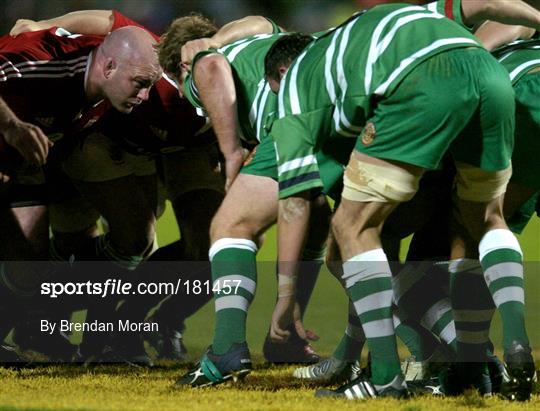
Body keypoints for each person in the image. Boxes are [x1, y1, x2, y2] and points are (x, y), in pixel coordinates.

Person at [264, 2, 532, 399]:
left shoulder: (294, 87)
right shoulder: (372, 29)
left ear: (281, 73)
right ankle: (496, 352)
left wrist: (286, 299)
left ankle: (386, 378)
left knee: (351, 227)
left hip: (423, 80)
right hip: (489, 73)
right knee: (487, 220)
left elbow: (296, 202)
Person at [158, 15, 333, 387]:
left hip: (299, 114)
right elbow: (260, 21)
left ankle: (226, 348)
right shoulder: (255, 41)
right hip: (347, 99)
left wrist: (231, 151)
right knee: (324, 223)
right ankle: (286, 337)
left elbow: (209, 66)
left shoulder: (197, 64)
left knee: (231, 226)